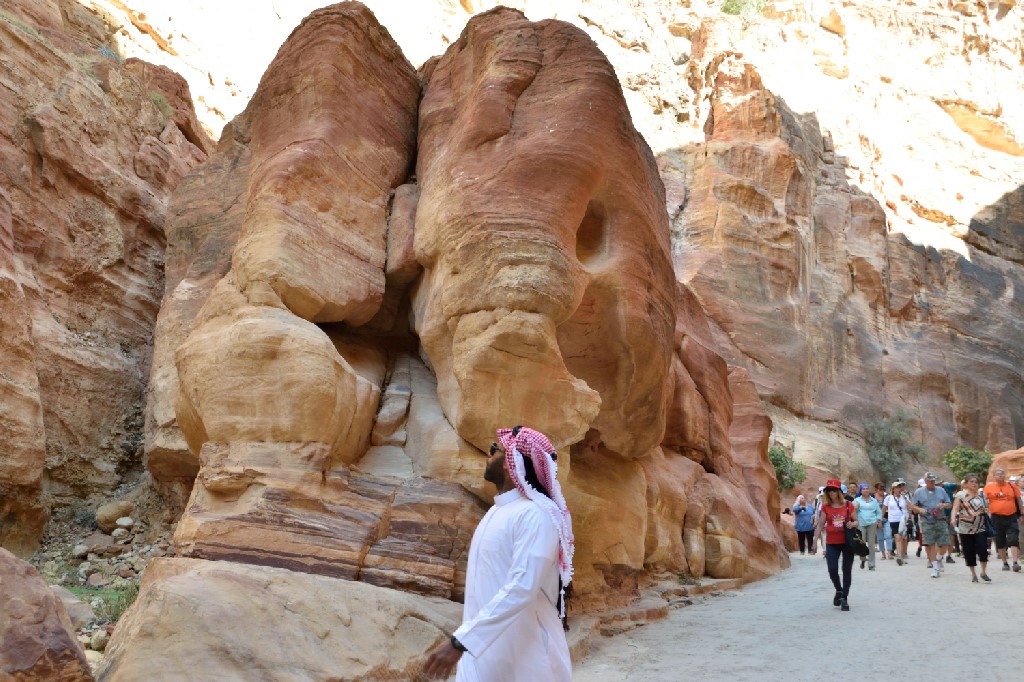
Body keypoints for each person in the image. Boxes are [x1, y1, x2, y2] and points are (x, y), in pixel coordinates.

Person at [423, 426, 574, 681]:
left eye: (495, 449)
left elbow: (522, 587)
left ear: (510, 461)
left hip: (527, 661)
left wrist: (461, 642)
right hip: (482, 656)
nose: (489, 454)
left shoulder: (536, 516)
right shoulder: (499, 511)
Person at [819, 479, 857, 611]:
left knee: (846, 570)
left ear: (839, 491)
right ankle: (839, 589)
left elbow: (856, 521)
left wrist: (852, 523)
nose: (831, 493)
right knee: (832, 569)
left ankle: (844, 598)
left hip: (847, 542)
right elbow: (820, 524)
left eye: (834, 490)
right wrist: (814, 541)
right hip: (832, 542)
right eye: (829, 490)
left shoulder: (848, 505)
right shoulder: (825, 507)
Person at [910, 472, 952, 579]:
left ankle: (939, 558)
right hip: (926, 520)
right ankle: (935, 568)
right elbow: (913, 506)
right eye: (929, 480)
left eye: (933, 480)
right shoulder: (919, 492)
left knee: (945, 542)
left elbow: (949, 504)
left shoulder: (941, 490)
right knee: (930, 544)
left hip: (940, 518)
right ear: (925, 481)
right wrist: (920, 509)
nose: (932, 482)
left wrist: (943, 505)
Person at [982, 467, 1023, 573]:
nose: (1000, 475)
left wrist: (1022, 513)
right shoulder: (989, 487)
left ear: (1005, 475)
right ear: (994, 476)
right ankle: (1005, 562)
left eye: (1002, 474)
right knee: (1000, 541)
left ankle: (1015, 562)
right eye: (998, 474)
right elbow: (984, 500)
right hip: (996, 517)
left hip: (1011, 516)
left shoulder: (1012, 486)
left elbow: (1018, 499)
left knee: (1013, 539)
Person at [952, 474, 991, 583]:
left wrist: (986, 511)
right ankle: (973, 574)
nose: (974, 484)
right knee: (969, 551)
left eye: (976, 482)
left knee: (983, 549)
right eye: (972, 481)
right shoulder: (961, 495)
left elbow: (987, 508)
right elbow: (955, 508)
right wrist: (953, 518)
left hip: (980, 527)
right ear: (966, 484)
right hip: (965, 528)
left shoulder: (982, 495)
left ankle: (983, 572)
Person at [853, 484, 882, 570]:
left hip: (872, 523)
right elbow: (852, 511)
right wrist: (855, 508)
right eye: (864, 489)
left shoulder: (874, 501)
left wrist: (878, 519)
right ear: (861, 491)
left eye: (867, 488)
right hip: (861, 523)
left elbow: (878, 511)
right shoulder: (857, 500)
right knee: (862, 543)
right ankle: (863, 559)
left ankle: (871, 564)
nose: (866, 490)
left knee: (871, 544)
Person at [883, 481, 910, 565]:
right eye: (897, 487)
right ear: (893, 489)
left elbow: (910, 507)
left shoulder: (905, 497)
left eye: (900, 487)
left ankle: (902, 555)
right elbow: (884, 509)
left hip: (903, 519)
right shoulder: (888, 498)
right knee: (897, 537)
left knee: (904, 538)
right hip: (893, 520)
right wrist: (880, 519)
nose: (899, 489)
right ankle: (899, 557)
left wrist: (905, 498)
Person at [873, 488, 892, 559]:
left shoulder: (887, 497)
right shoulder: (873, 499)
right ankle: (883, 553)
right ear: (876, 490)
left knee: (888, 535)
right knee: (880, 538)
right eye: (880, 489)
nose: (881, 491)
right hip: (877, 520)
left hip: (887, 519)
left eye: (883, 489)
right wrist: (878, 520)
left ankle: (889, 552)